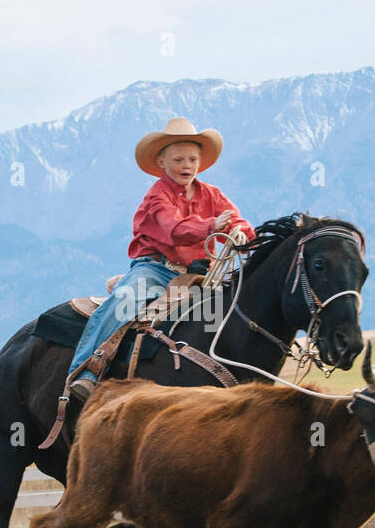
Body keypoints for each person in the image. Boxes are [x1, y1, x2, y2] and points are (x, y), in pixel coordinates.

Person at [66, 116, 255, 405]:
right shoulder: (157, 196)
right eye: (178, 159)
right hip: (156, 270)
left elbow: (238, 221)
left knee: (223, 317)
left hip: (200, 275)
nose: (186, 165)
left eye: (192, 159)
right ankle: (86, 372)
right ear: (161, 162)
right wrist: (212, 227)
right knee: (122, 304)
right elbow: (175, 230)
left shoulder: (212, 194)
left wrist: (240, 232)